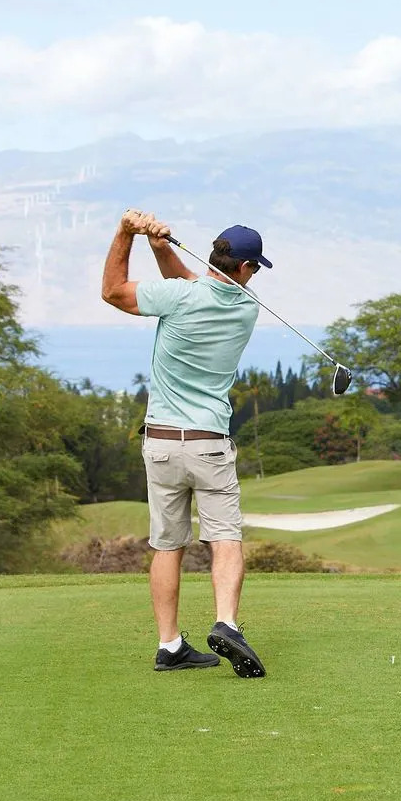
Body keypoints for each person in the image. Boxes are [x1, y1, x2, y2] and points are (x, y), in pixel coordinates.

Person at [100, 210, 271, 678]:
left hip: (159, 443)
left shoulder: (179, 297)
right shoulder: (245, 308)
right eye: (254, 266)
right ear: (244, 269)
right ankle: (226, 623)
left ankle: (169, 645)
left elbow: (114, 291)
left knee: (167, 545)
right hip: (209, 443)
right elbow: (197, 285)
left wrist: (127, 235)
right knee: (225, 538)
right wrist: (159, 248)